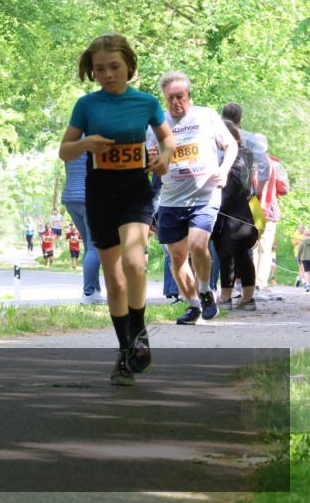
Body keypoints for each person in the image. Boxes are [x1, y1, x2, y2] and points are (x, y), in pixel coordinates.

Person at [59, 33, 174, 386]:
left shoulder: (147, 102)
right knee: (114, 280)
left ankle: (139, 333)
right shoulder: (86, 106)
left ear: (129, 67)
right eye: (99, 69)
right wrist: (84, 144)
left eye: (114, 67)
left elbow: (167, 138)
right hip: (100, 193)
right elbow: (65, 150)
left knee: (135, 261)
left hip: (135, 191)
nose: (107, 74)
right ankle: (125, 351)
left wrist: (165, 158)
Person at [151, 72, 237, 326]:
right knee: (177, 257)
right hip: (170, 199)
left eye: (181, 97)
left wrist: (223, 170)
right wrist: (153, 160)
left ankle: (204, 288)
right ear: (164, 100)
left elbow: (230, 146)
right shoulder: (156, 125)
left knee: (198, 246)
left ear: (189, 96)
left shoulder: (206, 116)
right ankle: (194, 305)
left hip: (205, 195)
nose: (176, 102)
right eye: (170, 98)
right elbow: (151, 162)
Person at [212, 120, 259, 310]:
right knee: (241, 255)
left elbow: (233, 186)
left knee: (227, 254)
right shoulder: (246, 154)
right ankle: (247, 299)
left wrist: (215, 200)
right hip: (243, 214)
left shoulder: (234, 157)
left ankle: (225, 297)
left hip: (231, 216)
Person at [62, 148, 103, 304]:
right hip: (90, 197)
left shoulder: (71, 139)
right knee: (95, 247)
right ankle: (89, 292)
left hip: (70, 198)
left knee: (89, 246)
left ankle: (95, 291)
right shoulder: (97, 137)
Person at [252, 148, 289, 291]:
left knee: (251, 247)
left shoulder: (248, 162)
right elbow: (285, 188)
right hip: (269, 210)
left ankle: (248, 283)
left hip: (251, 209)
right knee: (264, 250)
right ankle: (260, 284)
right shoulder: (275, 165)